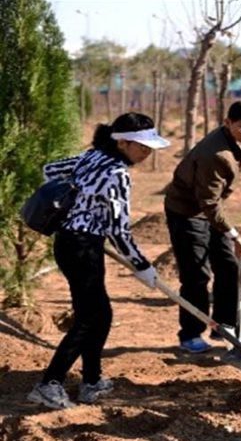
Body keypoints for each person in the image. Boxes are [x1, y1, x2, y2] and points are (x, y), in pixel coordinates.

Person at [28, 113, 169, 409]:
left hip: (73, 244)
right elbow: (118, 230)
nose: (147, 152)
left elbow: (50, 169)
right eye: (141, 146)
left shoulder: (92, 157)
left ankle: (91, 381)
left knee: (99, 315)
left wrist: (74, 204)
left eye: (149, 146)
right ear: (122, 143)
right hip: (82, 249)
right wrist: (142, 267)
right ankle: (49, 384)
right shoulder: (117, 173)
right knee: (90, 318)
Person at [164, 100, 241, 353]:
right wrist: (234, 235)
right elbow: (208, 204)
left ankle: (225, 327)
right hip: (187, 212)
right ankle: (190, 334)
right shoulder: (215, 156)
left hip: (210, 209)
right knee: (197, 275)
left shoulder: (237, 137)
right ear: (227, 123)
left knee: (229, 266)